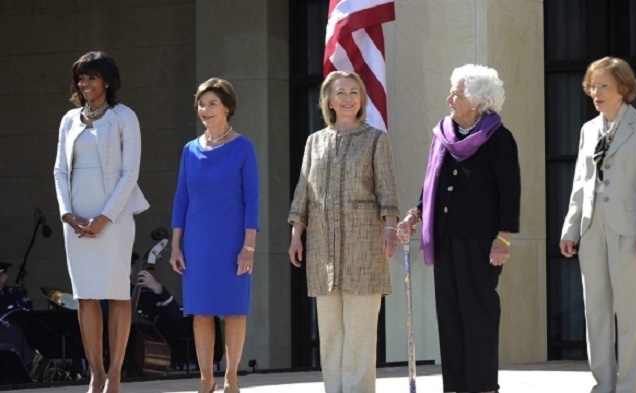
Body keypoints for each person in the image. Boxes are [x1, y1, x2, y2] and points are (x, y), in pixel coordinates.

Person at [397, 64, 521, 393]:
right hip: (446, 239)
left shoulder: (499, 138)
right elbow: (431, 185)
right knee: (450, 315)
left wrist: (503, 239)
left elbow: (510, 192)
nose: (449, 97)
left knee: (478, 315)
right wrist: (416, 214)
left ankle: (481, 387)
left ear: (479, 101)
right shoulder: (443, 136)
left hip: (481, 242)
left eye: (457, 92)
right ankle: (454, 386)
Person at [287, 70, 400, 393]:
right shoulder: (314, 142)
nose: (348, 98)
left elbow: (388, 190)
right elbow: (303, 193)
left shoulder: (376, 139)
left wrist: (390, 227)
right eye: (341, 93)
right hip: (322, 249)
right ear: (328, 100)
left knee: (360, 333)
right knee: (331, 334)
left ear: (361, 99)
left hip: (364, 247)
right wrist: (296, 234)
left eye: (354, 92)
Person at [559, 56, 636, 393]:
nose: (596, 92)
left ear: (623, 87)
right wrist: (570, 229)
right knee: (596, 315)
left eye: (604, 85)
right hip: (592, 230)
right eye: (592, 86)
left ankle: (629, 386)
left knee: (630, 316)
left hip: (630, 233)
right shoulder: (588, 129)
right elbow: (580, 182)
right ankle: (603, 385)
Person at [53, 50, 150, 393]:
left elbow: (130, 172)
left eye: (91, 77)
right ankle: (95, 374)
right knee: (86, 296)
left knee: (118, 295)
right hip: (76, 223)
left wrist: (105, 217)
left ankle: (115, 374)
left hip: (115, 219)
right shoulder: (69, 120)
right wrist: (68, 213)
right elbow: (60, 171)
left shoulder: (125, 117)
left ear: (107, 81)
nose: (85, 83)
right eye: (81, 77)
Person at [170, 77, 260, 393]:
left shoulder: (244, 148)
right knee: (201, 311)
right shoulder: (189, 151)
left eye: (212, 103)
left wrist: (249, 246)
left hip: (233, 242)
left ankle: (231, 376)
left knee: (234, 310)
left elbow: (253, 201)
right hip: (197, 243)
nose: (204, 109)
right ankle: (206, 379)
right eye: (201, 103)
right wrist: (176, 245)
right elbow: (181, 198)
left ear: (227, 107)